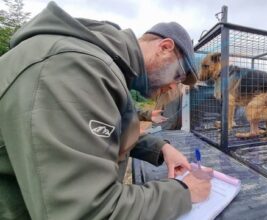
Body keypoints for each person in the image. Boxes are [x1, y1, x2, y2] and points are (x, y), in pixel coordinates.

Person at [0, 2, 212, 220]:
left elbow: (93, 135)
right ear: (165, 48)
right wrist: (182, 192)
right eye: (178, 76)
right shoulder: (75, 67)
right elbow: (87, 212)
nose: (172, 87)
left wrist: (159, 149)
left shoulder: (102, 66)